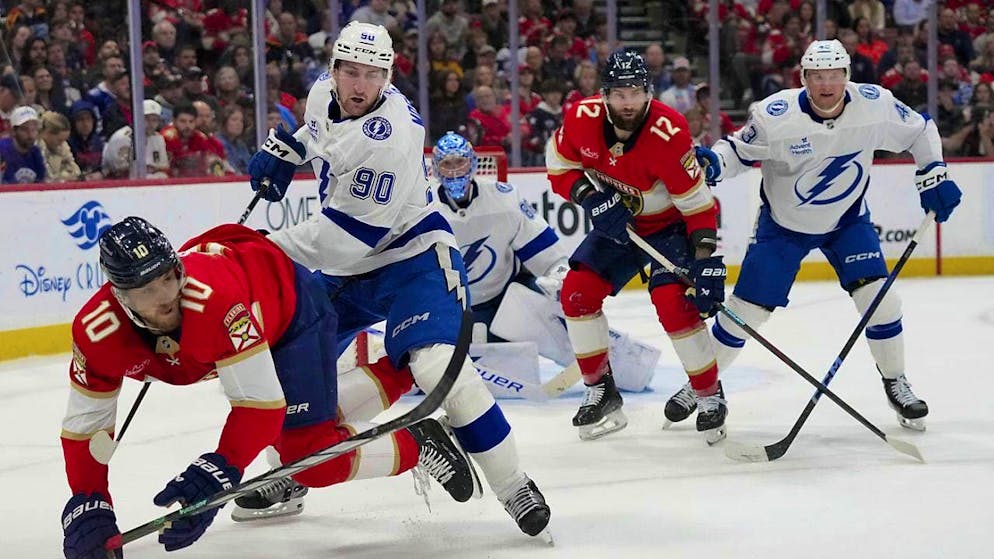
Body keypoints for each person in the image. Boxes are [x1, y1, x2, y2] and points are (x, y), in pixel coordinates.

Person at [244, 22, 551, 538]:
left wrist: (261, 248)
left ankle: (513, 484)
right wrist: (285, 152)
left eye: (372, 74)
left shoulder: (392, 137)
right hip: (348, 270)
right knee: (281, 370)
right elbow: (316, 136)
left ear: (387, 77)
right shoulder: (324, 94)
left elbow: (345, 238)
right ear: (334, 70)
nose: (359, 84)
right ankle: (296, 467)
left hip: (413, 257)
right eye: (350, 72)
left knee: (437, 368)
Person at [60, 217, 478, 558]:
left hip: (292, 314)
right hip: (250, 287)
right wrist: (89, 500)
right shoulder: (96, 333)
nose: (166, 298)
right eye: (147, 291)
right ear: (121, 297)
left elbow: (259, 407)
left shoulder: (214, 303)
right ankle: (386, 386)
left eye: (169, 279)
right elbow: (86, 429)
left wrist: (219, 470)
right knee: (293, 438)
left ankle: (418, 441)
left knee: (309, 457)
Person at [693, 40, 962, 431]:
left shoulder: (874, 105)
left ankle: (895, 381)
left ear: (847, 76)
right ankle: (703, 386)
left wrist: (932, 171)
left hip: (848, 223)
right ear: (803, 78)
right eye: (817, 76)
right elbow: (737, 150)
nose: (826, 84)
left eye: (834, 75)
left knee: (882, 302)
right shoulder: (776, 115)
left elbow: (921, 130)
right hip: (783, 227)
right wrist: (714, 162)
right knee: (744, 313)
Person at [544, 51, 727, 443]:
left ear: (648, 92)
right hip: (619, 224)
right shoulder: (581, 118)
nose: (628, 102)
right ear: (604, 94)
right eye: (619, 93)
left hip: (669, 228)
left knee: (673, 305)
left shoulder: (670, 131)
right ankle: (601, 390)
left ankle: (710, 395)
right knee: (576, 294)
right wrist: (590, 198)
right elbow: (559, 164)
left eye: (636, 92)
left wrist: (705, 261)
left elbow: (697, 206)